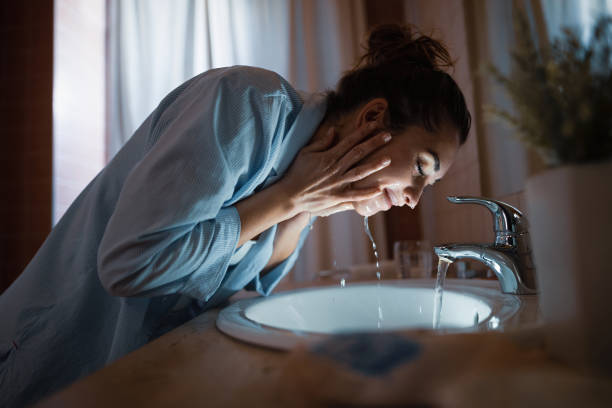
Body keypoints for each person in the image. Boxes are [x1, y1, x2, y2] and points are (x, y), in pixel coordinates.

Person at [0, 24, 470, 406]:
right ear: (372, 120)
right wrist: (289, 196)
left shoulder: (306, 174)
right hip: (49, 360)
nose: (413, 197)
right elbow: (130, 266)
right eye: (421, 169)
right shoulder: (246, 103)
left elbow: (250, 285)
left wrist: (307, 201)